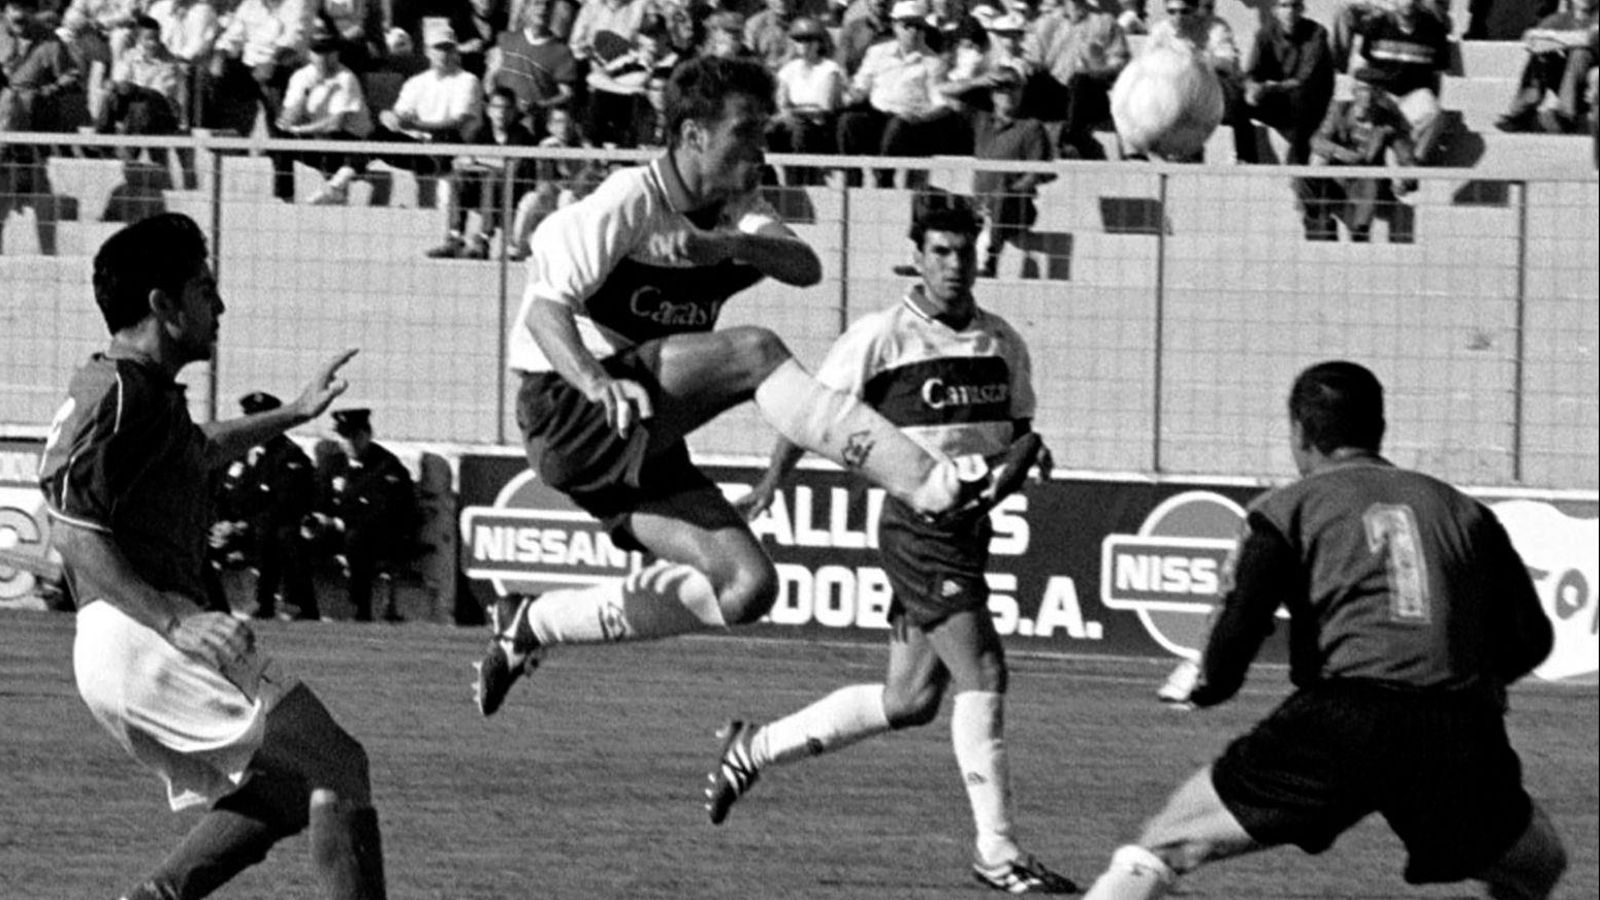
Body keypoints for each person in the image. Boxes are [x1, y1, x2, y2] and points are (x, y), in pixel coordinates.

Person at [471, 56, 1043, 718]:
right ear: (693, 136)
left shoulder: (738, 210)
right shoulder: (627, 202)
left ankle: (531, 624)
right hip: (569, 407)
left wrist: (730, 248)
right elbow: (544, 314)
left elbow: (805, 265)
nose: (760, 147)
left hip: (636, 434)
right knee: (755, 352)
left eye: (764, 130)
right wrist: (597, 381)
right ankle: (932, 485)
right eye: (744, 132)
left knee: (748, 587)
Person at [1079, 360, 1568, 900]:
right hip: (1455, 726)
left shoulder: (1285, 509)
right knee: (1535, 864)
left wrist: (1209, 684)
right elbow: (1531, 638)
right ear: (1379, 428)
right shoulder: (1464, 510)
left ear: (1299, 433)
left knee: (1164, 845)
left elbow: (1237, 630)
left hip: (1343, 719)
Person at [705, 199, 1073, 896]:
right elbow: (810, 410)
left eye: (963, 252)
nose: (954, 265)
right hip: (918, 526)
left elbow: (1019, 429)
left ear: (979, 255)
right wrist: (772, 483)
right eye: (940, 252)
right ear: (917, 256)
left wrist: (1030, 455)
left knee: (909, 700)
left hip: (969, 528)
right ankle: (997, 852)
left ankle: (754, 747)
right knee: (984, 671)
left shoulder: (1002, 341)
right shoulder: (882, 337)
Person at [37, 213, 386, 900]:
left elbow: (201, 450)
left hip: (130, 639)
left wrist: (294, 413)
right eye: (204, 289)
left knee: (291, 789)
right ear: (163, 305)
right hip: (144, 633)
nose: (219, 305)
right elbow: (72, 529)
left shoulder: (138, 391)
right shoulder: (117, 393)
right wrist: (174, 622)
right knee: (339, 766)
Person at [211, 390, 321, 621]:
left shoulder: (289, 456)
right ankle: (202, 604)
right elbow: (218, 494)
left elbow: (285, 505)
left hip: (261, 530)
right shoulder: (235, 452)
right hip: (231, 529)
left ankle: (267, 603)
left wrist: (242, 526)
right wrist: (218, 524)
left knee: (275, 535)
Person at [307, 408, 416, 623]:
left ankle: (359, 607)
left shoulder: (386, 466)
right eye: (344, 437)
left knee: (356, 539)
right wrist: (316, 518)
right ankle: (301, 605)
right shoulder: (333, 464)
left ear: (367, 434)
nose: (350, 443)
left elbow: (384, 513)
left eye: (355, 436)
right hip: (337, 533)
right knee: (292, 537)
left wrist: (339, 522)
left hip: (379, 538)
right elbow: (319, 498)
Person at [1294, 69, 1417, 242]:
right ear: (1354, 91)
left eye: (1373, 90)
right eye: (1363, 89)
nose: (1367, 96)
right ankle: (1321, 226)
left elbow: (1404, 154)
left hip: (1365, 181)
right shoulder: (1340, 109)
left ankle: (1360, 234)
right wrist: (1341, 153)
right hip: (1338, 177)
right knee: (1312, 167)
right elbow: (1317, 140)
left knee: (1371, 183)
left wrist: (1407, 177)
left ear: (1380, 94)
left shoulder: (1387, 120)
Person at [374, 22, 483, 206]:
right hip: (419, 148)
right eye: (438, 48)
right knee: (377, 134)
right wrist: (387, 116)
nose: (443, 54)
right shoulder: (416, 82)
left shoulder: (468, 80)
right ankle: (342, 182)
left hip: (450, 149)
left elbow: (456, 123)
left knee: (446, 139)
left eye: (448, 48)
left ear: (455, 51)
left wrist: (413, 125)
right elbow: (399, 115)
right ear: (427, 51)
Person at [1, 0, 76, 257]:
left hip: (31, 127)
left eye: (25, 10)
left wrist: (49, 91)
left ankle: (49, 255)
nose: (20, 15)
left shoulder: (50, 41)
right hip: (2, 124)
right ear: (5, 11)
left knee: (41, 194)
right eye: (14, 9)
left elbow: (71, 76)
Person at [426, 84, 536, 258]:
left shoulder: (522, 135)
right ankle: (454, 238)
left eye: (506, 108)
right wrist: (486, 161)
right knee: (457, 178)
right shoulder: (481, 133)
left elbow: (512, 166)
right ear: (488, 110)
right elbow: (462, 161)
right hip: (480, 191)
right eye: (496, 107)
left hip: (512, 192)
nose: (501, 113)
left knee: (491, 177)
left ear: (514, 112)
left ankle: (483, 240)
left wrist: (479, 160)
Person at [271, 27, 373, 203]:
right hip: (319, 141)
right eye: (318, 52)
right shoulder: (301, 77)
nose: (323, 58)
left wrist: (300, 130)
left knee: (343, 140)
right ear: (310, 54)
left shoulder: (346, 78)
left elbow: (335, 124)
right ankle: (286, 199)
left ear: (337, 54)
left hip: (347, 145)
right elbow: (286, 121)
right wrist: (305, 94)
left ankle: (336, 190)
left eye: (329, 52)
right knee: (281, 141)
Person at [1344, 0, 1450, 164]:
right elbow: (1359, 69)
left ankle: (1414, 163)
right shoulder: (1376, 25)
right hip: (1381, 93)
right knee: (1367, 108)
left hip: (1413, 94)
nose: (1408, 2)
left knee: (1436, 116)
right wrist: (1368, 91)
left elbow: (1437, 76)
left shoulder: (1434, 30)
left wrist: (1431, 101)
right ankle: (1365, 161)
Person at [967, 69, 1051, 277]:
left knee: (1001, 198)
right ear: (992, 93)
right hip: (978, 205)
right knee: (926, 196)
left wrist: (1005, 192)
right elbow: (944, 93)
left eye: (1014, 87)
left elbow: (1035, 174)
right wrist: (980, 80)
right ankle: (921, 259)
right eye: (1002, 88)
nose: (1008, 93)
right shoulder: (981, 121)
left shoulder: (1031, 127)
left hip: (1016, 206)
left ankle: (989, 260)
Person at [1021, 0, 1129, 159]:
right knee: (1033, 81)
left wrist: (1096, 70)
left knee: (1079, 80)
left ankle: (1071, 137)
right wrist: (1034, 66)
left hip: (1090, 92)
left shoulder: (1104, 22)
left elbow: (1119, 64)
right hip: (1057, 94)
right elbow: (1033, 60)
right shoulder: (1047, 22)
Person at [1242, 0, 1334, 164]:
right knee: (1238, 98)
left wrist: (1269, 87)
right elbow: (1252, 72)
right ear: (1275, 10)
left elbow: (1304, 80)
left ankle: (1297, 163)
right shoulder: (1265, 34)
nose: (1290, 11)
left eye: (1294, 5)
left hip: (1311, 103)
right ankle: (1246, 156)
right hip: (1277, 98)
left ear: (1302, 9)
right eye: (1284, 6)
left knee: (1300, 98)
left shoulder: (1316, 33)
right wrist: (1252, 88)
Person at [1495, 0, 1598, 135]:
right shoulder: (1558, 20)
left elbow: (1589, 39)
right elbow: (1531, 40)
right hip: (1566, 80)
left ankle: (1565, 116)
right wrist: (1554, 41)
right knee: (1541, 55)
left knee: (1581, 53)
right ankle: (1522, 112)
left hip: (1591, 81)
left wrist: (1551, 37)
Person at [768, 15, 846, 184]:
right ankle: (773, 179)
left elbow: (825, 106)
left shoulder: (829, 69)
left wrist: (793, 112)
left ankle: (799, 183)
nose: (803, 44)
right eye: (799, 40)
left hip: (821, 126)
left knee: (799, 130)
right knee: (770, 130)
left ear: (819, 43)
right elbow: (782, 101)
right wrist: (787, 112)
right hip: (793, 122)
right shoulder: (789, 69)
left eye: (809, 40)